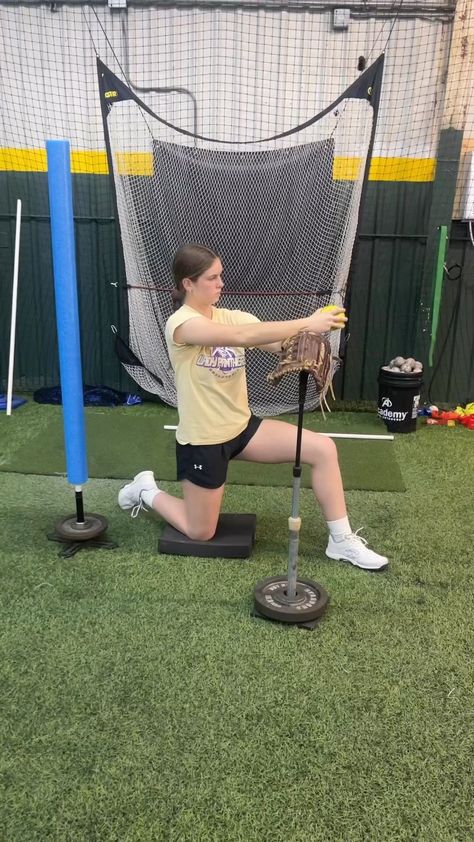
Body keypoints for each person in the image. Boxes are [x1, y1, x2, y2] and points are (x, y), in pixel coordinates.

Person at [118, 244, 388, 571]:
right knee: (200, 531)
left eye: (221, 275)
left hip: (243, 428)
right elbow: (244, 336)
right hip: (203, 440)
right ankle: (146, 491)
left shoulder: (231, 315)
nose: (221, 283)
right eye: (212, 278)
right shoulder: (181, 324)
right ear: (188, 284)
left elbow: (273, 341)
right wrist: (308, 320)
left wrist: (306, 339)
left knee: (323, 449)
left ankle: (341, 541)